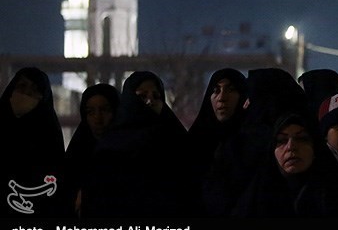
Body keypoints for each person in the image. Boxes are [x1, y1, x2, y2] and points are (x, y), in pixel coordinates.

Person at [80, 70, 198, 218]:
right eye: (142, 96)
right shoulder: (111, 148)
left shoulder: (175, 141)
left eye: (156, 96)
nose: (150, 101)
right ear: (129, 100)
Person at [203, 67, 306, 216]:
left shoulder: (246, 145)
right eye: (215, 90)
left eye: (251, 97)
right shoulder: (238, 141)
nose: (245, 105)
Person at [230, 110, 338, 217]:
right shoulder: (256, 199)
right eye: (282, 140)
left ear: (315, 148)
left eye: (301, 138)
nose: (291, 147)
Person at [0, 67, 69, 218]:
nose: (26, 93)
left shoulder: (49, 135)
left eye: (35, 89)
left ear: (43, 97)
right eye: (22, 86)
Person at [187, 67, 248, 202]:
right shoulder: (194, 142)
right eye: (216, 91)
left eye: (231, 90)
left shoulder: (251, 144)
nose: (222, 98)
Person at [62, 83, 120, 218]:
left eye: (105, 110)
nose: (97, 119)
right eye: (90, 112)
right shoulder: (76, 155)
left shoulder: (130, 155)